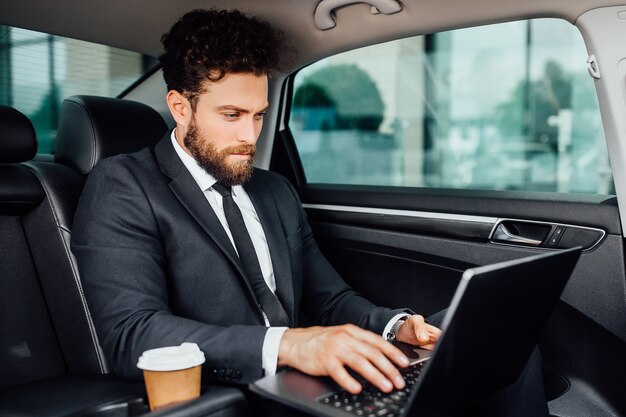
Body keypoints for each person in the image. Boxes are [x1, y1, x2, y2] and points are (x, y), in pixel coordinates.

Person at [71, 8, 548, 417]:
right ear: (180, 107)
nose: (249, 136)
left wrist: (394, 326)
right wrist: (292, 345)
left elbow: (330, 299)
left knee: (497, 342)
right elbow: (132, 333)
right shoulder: (124, 185)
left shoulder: (274, 191)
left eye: (258, 115)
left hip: (311, 379)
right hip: (230, 394)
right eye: (232, 115)